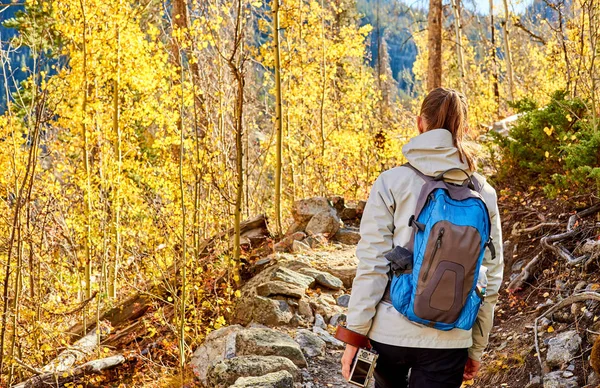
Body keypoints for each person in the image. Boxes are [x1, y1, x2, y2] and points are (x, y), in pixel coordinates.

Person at [341, 87, 504, 388]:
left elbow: (372, 264)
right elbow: (489, 279)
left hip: (389, 333)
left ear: (420, 124)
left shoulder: (392, 182)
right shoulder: (483, 193)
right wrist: (475, 346)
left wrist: (355, 334)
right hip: (451, 339)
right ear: (462, 129)